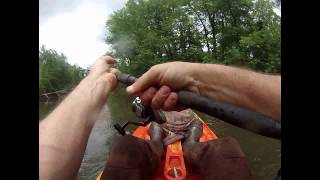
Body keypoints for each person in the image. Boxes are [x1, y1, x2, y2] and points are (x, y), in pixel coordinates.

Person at [39, 56, 281, 180]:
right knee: (131, 144)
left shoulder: (179, 98)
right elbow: (141, 111)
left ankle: (177, 146)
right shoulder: (156, 98)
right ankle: (170, 145)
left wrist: (93, 83)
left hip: (182, 125)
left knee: (226, 149)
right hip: (169, 125)